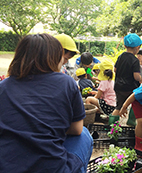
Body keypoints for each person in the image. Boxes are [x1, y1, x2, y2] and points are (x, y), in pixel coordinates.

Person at [0, 33, 93, 172]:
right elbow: (76, 129)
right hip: (51, 168)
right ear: (54, 56)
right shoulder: (66, 82)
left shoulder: (4, 86)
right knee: (84, 134)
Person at [110, 33, 142, 126]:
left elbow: (115, 69)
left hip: (119, 86)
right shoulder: (135, 60)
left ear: (125, 46)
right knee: (136, 102)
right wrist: (140, 79)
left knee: (118, 106)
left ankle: (112, 126)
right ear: (137, 47)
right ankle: (131, 121)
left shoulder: (121, 56)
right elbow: (136, 76)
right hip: (130, 87)